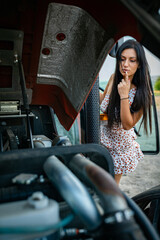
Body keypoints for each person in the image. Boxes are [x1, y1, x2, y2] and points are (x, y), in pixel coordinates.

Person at [100, 39, 152, 185]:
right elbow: (103, 101)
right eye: (122, 59)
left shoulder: (143, 93)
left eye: (132, 60)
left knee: (110, 187)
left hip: (119, 148)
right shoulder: (113, 79)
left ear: (139, 63)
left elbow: (127, 124)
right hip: (102, 140)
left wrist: (123, 95)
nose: (125, 64)